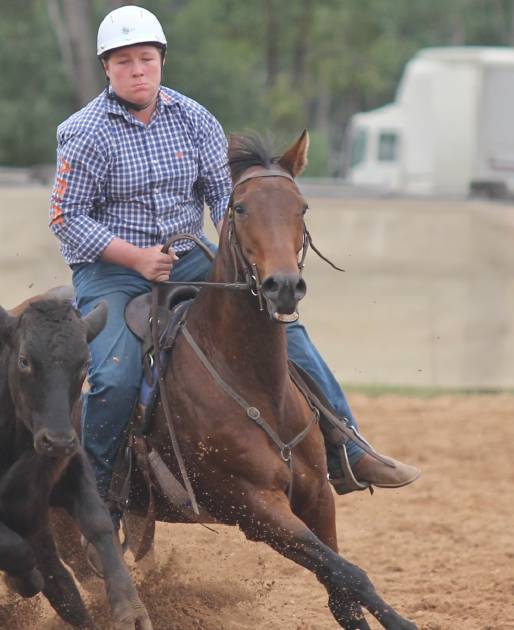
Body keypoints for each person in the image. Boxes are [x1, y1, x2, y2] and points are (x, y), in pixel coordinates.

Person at [48, 6, 419, 520]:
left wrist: (253, 257)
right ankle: (97, 496)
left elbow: (228, 201)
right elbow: (67, 217)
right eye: (125, 61)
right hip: (111, 272)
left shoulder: (194, 118)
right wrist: (135, 258)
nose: (138, 70)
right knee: (114, 376)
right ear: (107, 68)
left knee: (283, 329)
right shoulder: (84, 131)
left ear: (161, 62)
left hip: (191, 258)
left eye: (147, 59)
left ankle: (348, 449)